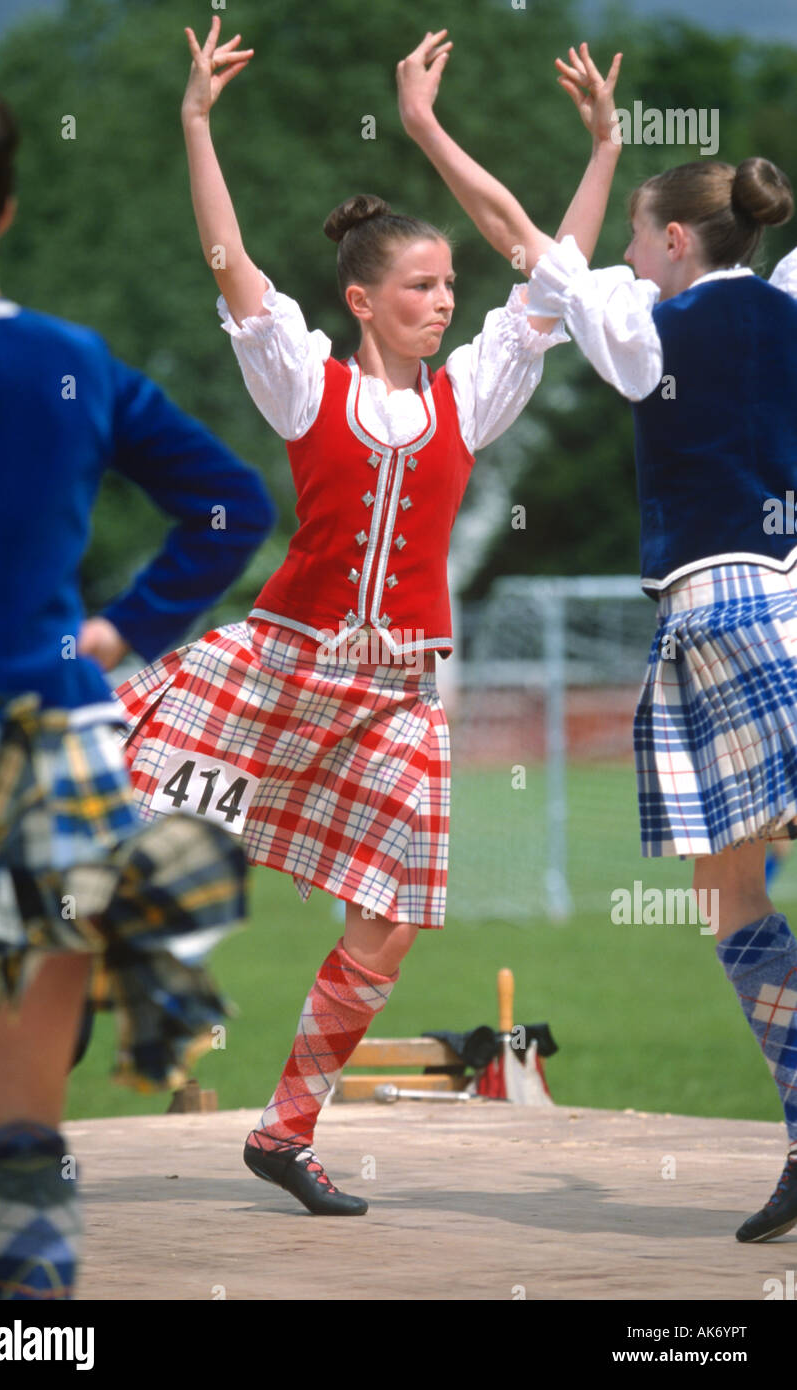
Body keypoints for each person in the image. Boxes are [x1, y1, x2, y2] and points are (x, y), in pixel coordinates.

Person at [115, 20, 622, 1216]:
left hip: (399, 688)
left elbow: (555, 273)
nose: (445, 302)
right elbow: (226, 255)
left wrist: (601, 148)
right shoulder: (304, 377)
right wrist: (194, 122)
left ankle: (283, 1130)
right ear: (361, 298)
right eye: (421, 285)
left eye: (450, 284)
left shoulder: (472, 393)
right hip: (285, 666)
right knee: (101, 804)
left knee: (391, 920)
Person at [0, 80, 275, 1296]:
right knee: (18, 1143)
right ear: (9, 207)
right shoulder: (68, 363)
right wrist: (120, 632)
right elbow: (234, 503)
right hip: (47, 761)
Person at [518, 94, 797, 1240]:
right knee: (726, 888)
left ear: (676, 241)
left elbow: (522, 240)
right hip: (781, 596)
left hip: (725, 611)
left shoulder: (650, 335)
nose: (627, 258)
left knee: (728, 893)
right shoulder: (781, 306)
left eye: (638, 238)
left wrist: (426, 133)